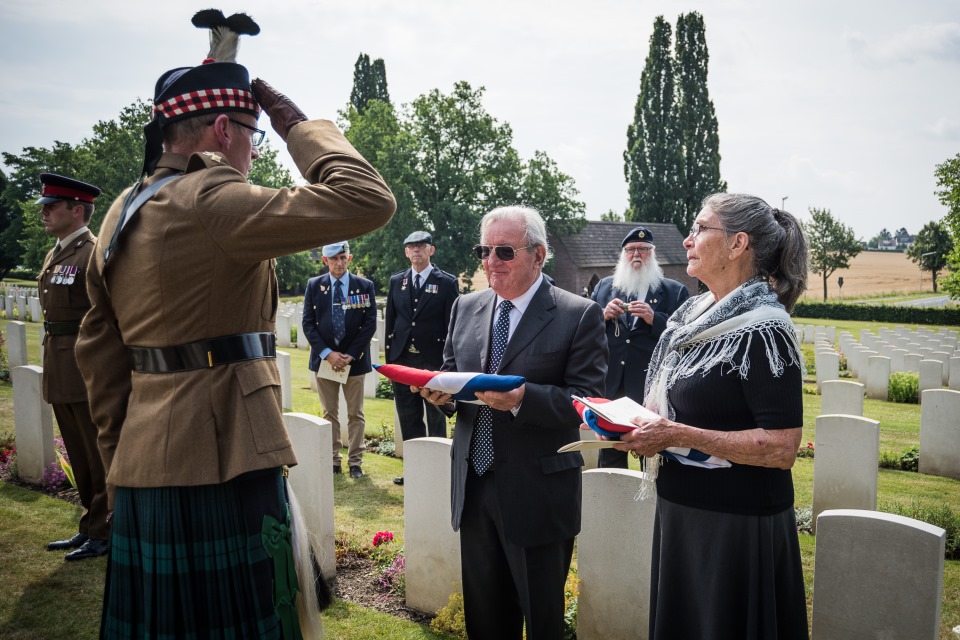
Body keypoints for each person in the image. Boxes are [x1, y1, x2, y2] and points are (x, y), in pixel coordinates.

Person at [75, 10, 395, 639]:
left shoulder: (120, 211)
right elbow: (369, 200)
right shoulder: (211, 199)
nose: (257, 150)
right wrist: (299, 125)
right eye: (256, 135)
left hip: (146, 463)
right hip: (225, 457)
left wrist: (120, 463)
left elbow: (100, 355)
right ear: (224, 128)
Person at [613, 193, 809, 639]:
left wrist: (676, 433)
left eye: (701, 229)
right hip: (682, 512)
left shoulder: (763, 329)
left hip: (734, 527)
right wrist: (630, 422)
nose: (687, 240)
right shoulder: (690, 317)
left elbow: (781, 448)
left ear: (738, 244)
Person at [419, 205, 607, 639]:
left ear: (538, 256)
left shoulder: (576, 314)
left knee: (542, 623)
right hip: (475, 488)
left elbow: (585, 401)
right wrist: (441, 397)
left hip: (537, 495)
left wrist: (523, 399)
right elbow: (454, 376)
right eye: (483, 250)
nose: (490, 262)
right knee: (485, 622)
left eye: (503, 251)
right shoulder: (465, 307)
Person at [35, 173, 110, 561]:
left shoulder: (92, 253)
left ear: (77, 210)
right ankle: (89, 525)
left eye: (52, 206)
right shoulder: (57, 252)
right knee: (78, 454)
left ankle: (103, 530)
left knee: (95, 455)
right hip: (60, 365)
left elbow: (104, 316)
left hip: (84, 369)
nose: (44, 213)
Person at [590, 226, 689, 469]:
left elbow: (685, 336)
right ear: (623, 254)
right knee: (610, 453)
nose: (637, 255)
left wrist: (654, 318)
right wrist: (602, 316)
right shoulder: (604, 287)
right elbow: (585, 332)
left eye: (644, 250)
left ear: (652, 254)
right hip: (612, 385)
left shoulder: (674, 291)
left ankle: (652, 503)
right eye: (631, 249)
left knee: (652, 454)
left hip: (651, 388)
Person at [384, 230, 459, 485]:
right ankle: (414, 470)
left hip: (433, 362)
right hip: (403, 359)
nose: (416, 250)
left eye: (421, 246)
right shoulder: (397, 281)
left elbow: (452, 326)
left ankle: (438, 469)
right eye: (411, 246)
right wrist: (390, 361)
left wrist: (449, 365)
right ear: (406, 252)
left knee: (436, 415)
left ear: (431, 250)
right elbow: (391, 323)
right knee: (408, 417)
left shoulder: (446, 282)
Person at [302, 241, 377, 479]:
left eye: (343, 258)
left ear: (349, 258)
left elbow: (369, 324)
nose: (339, 263)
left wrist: (350, 355)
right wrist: (328, 354)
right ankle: (333, 459)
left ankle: (355, 461)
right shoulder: (314, 286)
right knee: (329, 413)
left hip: (354, 361)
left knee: (356, 414)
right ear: (325, 261)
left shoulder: (363, 286)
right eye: (333, 259)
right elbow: (308, 323)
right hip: (325, 361)